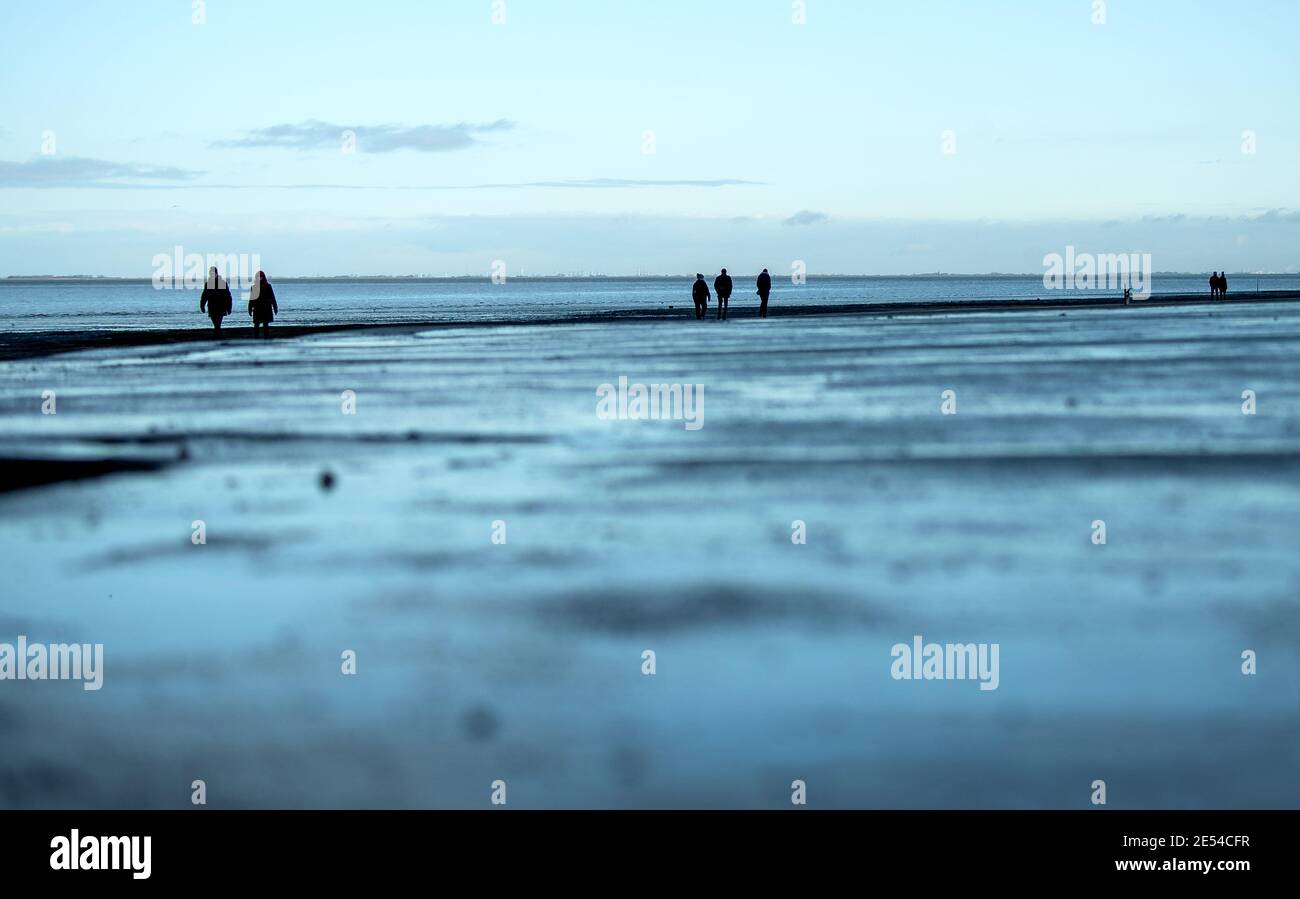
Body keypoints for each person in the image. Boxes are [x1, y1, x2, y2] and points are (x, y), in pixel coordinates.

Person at [199, 266, 233, 331]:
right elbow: (204, 295)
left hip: (220, 306)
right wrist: (202, 306)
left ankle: (218, 333)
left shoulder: (221, 283)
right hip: (213, 306)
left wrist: (229, 307)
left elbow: (228, 296)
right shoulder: (209, 283)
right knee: (216, 323)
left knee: (217, 323)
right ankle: (218, 333)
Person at [249, 270, 278, 337]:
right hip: (259, 308)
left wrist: (275, 307)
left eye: (261, 277)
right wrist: (250, 308)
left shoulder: (268, 286)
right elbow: (251, 300)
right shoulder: (255, 287)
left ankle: (263, 337)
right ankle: (258, 337)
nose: (260, 278)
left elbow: (272, 297)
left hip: (264, 308)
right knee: (258, 324)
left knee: (264, 324)